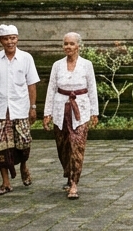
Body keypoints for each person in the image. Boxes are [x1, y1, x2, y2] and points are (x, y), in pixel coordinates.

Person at [0, 24, 40, 195]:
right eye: (6, 39)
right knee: (0, 147)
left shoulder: (26, 58)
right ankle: (5, 182)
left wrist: (33, 107)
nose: (10, 42)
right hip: (0, 110)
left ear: (17, 39)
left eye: (13, 38)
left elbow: (32, 84)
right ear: (0, 40)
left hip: (20, 109)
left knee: (23, 143)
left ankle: (23, 166)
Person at [43, 32, 99, 200]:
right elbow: (51, 89)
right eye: (65, 43)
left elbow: (92, 88)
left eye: (71, 44)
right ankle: (68, 174)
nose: (68, 46)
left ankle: (74, 183)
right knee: (63, 146)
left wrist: (94, 112)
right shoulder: (57, 65)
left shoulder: (86, 65)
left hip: (80, 109)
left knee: (77, 146)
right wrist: (47, 113)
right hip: (61, 108)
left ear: (78, 46)